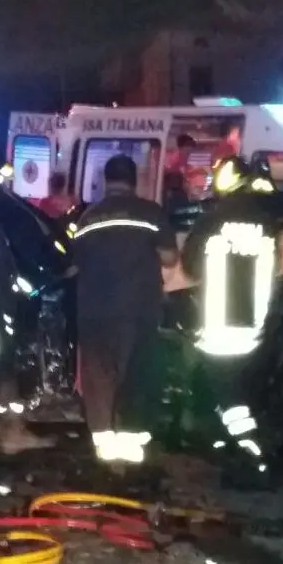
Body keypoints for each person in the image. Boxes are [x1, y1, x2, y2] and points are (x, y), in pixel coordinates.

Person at [73, 154, 179, 465]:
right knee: (137, 372)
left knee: (99, 376)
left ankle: (104, 445)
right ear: (135, 181)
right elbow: (170, 257)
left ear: (106, 181)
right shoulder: (150, 213)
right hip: (138, 308)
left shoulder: (87, 218)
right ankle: (132, 447)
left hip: (94, 310)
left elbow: (75, 262)